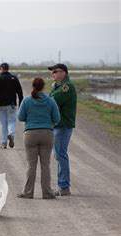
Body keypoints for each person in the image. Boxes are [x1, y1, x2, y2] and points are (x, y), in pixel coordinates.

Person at [17, 78, 60, 199]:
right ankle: (47, 192)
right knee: (45, 165)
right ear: (43, 87)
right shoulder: (51, 101)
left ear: (33, 86)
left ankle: (28, 192)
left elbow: (20, 117)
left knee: (31, 165)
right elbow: (57, 118)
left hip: (30, 134)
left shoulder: (27, 100)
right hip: (47, 133)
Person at [48, 63, 77, 196]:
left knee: (60, 154)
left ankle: (64, 186)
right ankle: (63, 185)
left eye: (55, 71)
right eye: (52, 72)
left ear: (63, 73)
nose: (53, 74)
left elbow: (52, 101)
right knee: (59, 154)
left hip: (63, 125)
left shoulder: (66, 87)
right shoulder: (57, 86)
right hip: (59, 125)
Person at [0, 62, 23, 149]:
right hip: (11, 104)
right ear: (8, 69)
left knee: (2, 124)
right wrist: (20, 103)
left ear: (1, 69)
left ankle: (3, 143)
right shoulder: (14, 78)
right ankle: (11, 134)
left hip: (0, 104)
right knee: (11, 121)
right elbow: (20, 92)